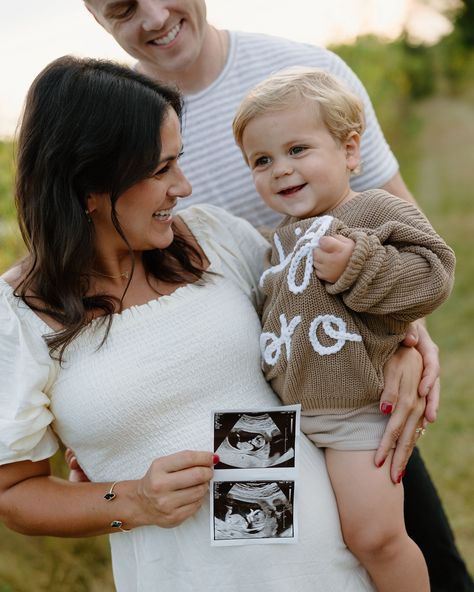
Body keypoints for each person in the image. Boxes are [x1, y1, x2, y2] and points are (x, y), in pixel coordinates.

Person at [80, 3, 474, 589]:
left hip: (349, 390)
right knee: (272, 560)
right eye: (123, 6)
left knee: (384, 541)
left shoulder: (306, 70)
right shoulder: (114, 120)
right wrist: (110, 423)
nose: (156, 15)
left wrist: (411, 344)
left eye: (295, 152)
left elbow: (415, 249)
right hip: (251, 400)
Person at [0, 54, 387, 592]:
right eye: (161, 170)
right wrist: (134, 499)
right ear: (89, 185)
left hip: (331, 570)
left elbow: (332, 315)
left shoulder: (215, 238)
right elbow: (12, 495)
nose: (182, 187)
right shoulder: (15, 317)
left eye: (178, 161)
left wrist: (413, 353)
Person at [232, 66, 456, 591]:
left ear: (350, 151)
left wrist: (361, 265)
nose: (280, 170)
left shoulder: (373, 210)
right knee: (269, 543)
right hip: (280, 417)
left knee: (372, 536)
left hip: (351, 412)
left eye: (297, 150)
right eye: (262, 160)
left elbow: (436, 272)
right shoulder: (278, 238)